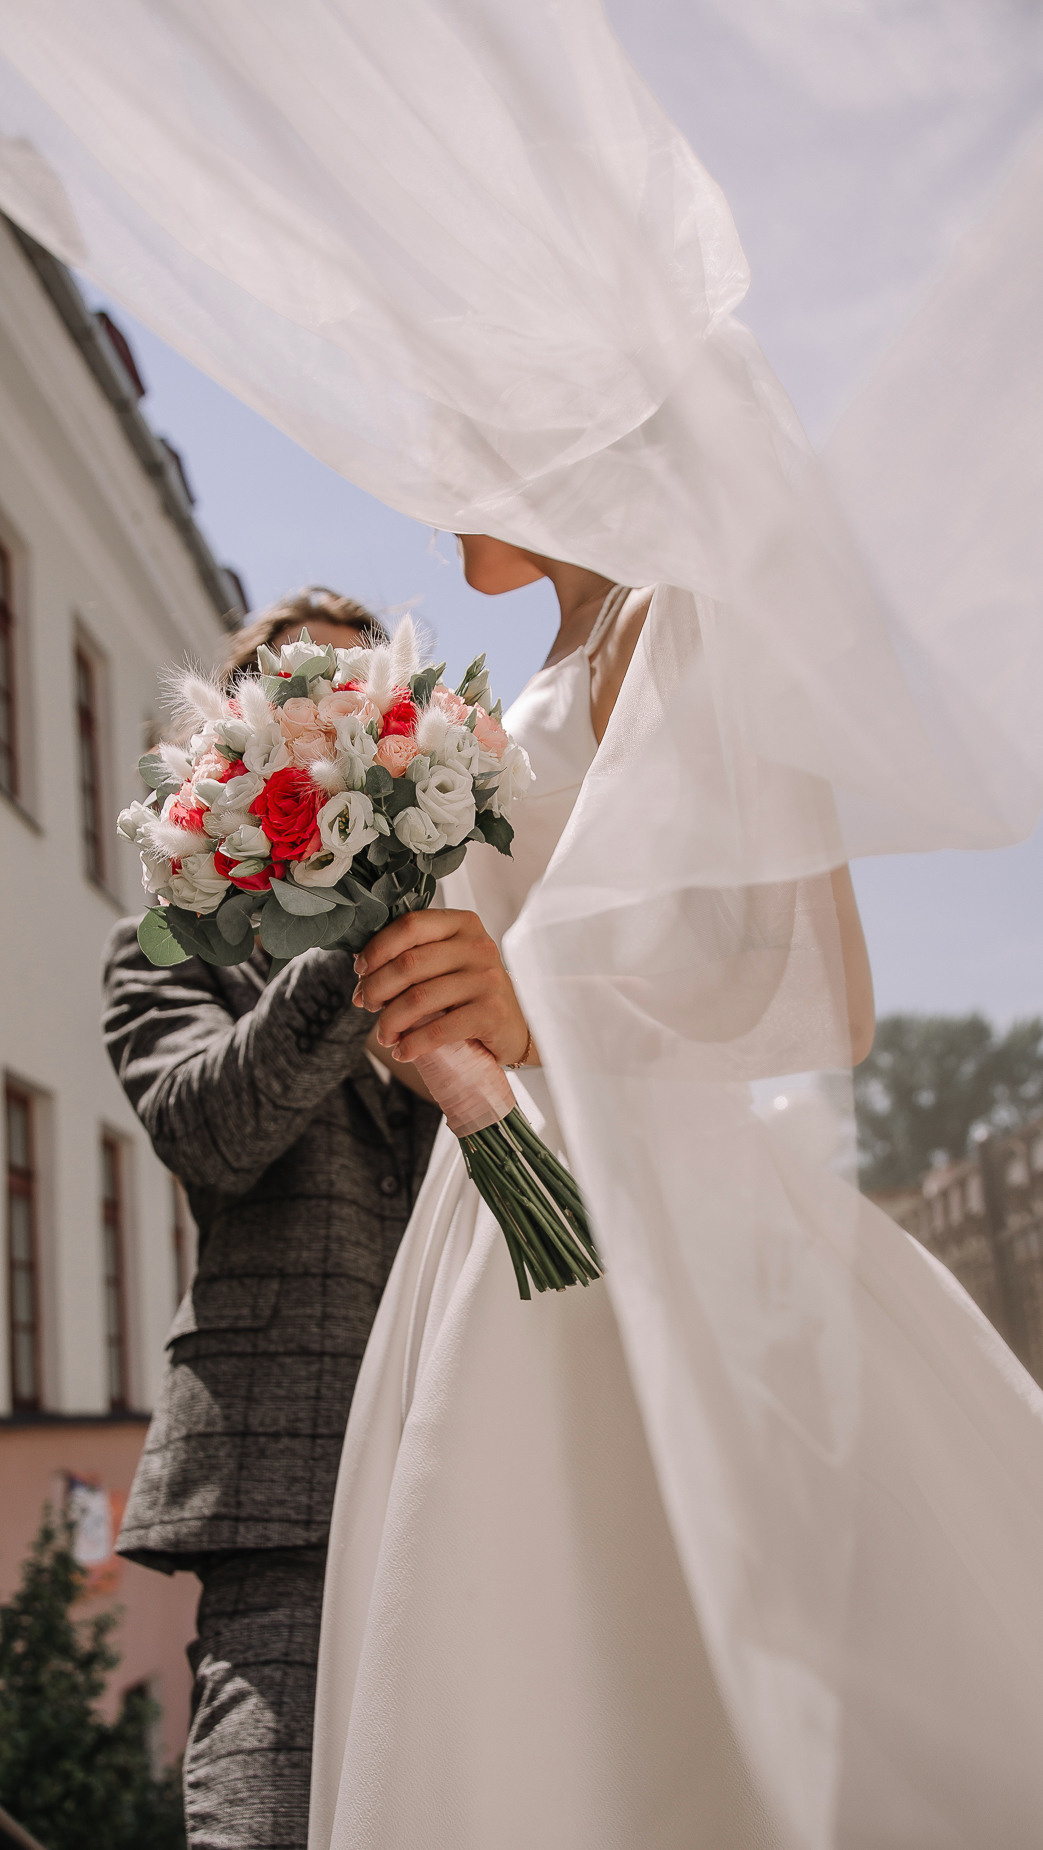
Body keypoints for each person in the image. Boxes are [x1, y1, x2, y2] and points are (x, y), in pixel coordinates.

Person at [308, 543, 1043, 1849]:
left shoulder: (682, 614)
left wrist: (533, 1011)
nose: (432, 488)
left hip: (657, 1219)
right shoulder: (540, 666)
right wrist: (431, 1012)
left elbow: (819, 990)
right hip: (497, 1211)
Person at [102, 587, 441, 1850]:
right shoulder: (167, 943)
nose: (337, 718)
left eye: (362, 695)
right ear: (240, 742)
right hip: (283, 1487)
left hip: (470, 1445)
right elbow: (208, 1130)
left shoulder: (462, 931)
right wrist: (349, 944)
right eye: (304, 694)